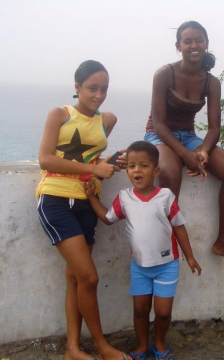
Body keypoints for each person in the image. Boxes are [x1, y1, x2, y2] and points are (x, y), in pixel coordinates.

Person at [36, 60, 130, 360]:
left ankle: (73, 349)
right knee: (88, 277)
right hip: (56, 199)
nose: (99, 95)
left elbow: (93, 160)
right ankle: (102, 346)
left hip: (86, 200)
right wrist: (92, 169)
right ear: (77, 87)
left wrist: (114, 161)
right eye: (92, 88)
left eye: (103, 89)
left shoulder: (108, 120)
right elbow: (46, 159)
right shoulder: (60, 114)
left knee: (76, 278)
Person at [144, 20, 224, 267]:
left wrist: (202, 150)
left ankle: (223, 241)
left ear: (206, 44)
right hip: (160, 135)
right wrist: (185, 155)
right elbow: (158, 123)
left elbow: (213, 128)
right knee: (169, 172)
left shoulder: (211, 82)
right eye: (187, 40)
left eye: (199, 40)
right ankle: (164, 243)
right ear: (178, 46)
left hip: (189, 136)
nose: (194, 45)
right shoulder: (164, 74)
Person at [85, 140, 202, 360]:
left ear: (155, 170)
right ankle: (141, 345)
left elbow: (179, 227)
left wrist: (190, 256)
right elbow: (108, 218)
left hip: (168, 264)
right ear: (127, 170)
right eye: (131, 166)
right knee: (140, 310)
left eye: (144, 165)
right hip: (139, 266)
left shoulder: (166, 196)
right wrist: (91, 197)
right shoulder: (124, 198)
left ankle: (159, 342)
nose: (137, 170)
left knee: (163, 312)